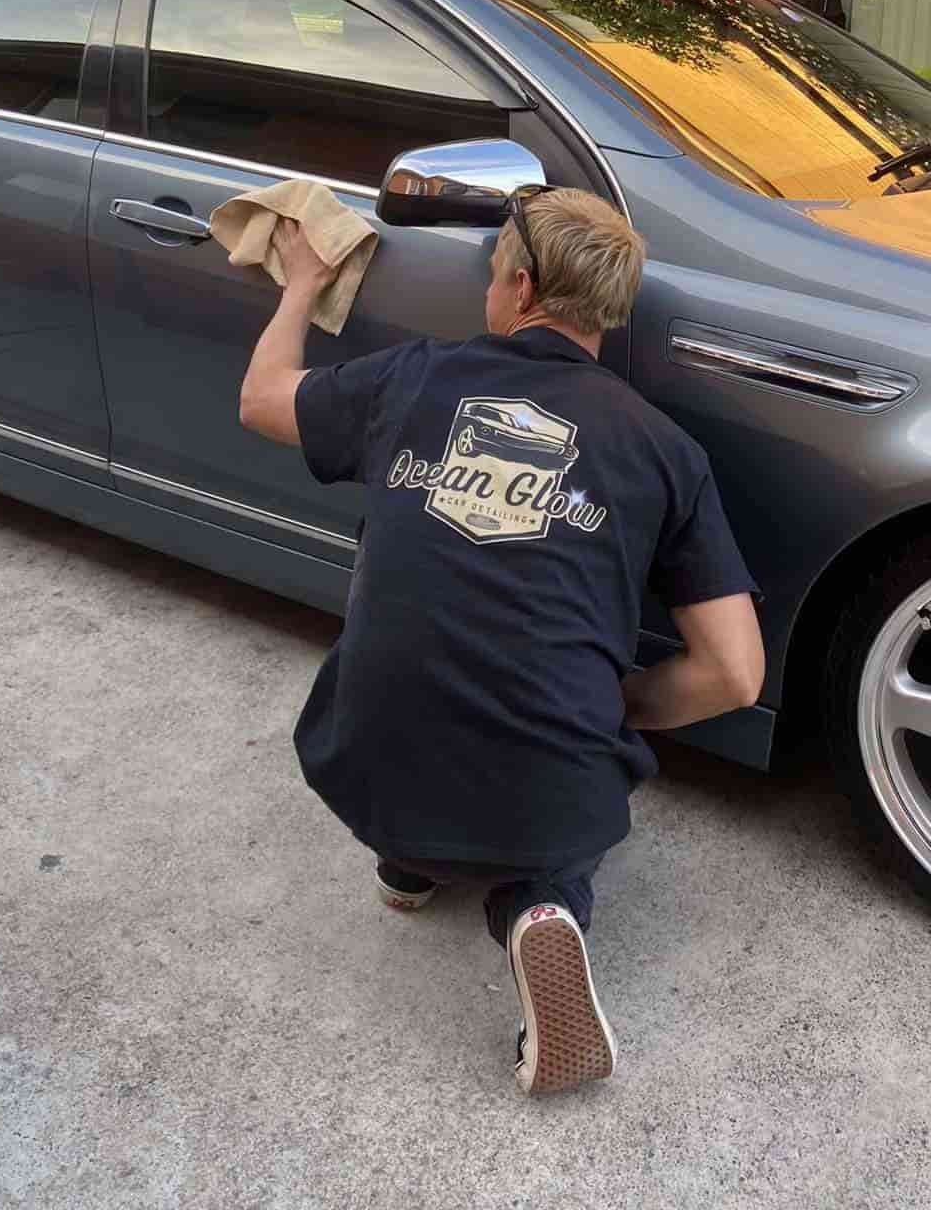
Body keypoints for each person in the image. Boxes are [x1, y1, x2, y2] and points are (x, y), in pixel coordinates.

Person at [238, 188, 764, 1096]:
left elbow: (261, 400)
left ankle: (406, 867)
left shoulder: (413, 378)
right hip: (541, 785)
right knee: (552, 806)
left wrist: (300, 286)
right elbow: (736, 673)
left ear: (519, 289)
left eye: (491, 275)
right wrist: (623, 706)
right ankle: (543, 906)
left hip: (370, 756)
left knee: (407, 686)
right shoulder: (663, 449)